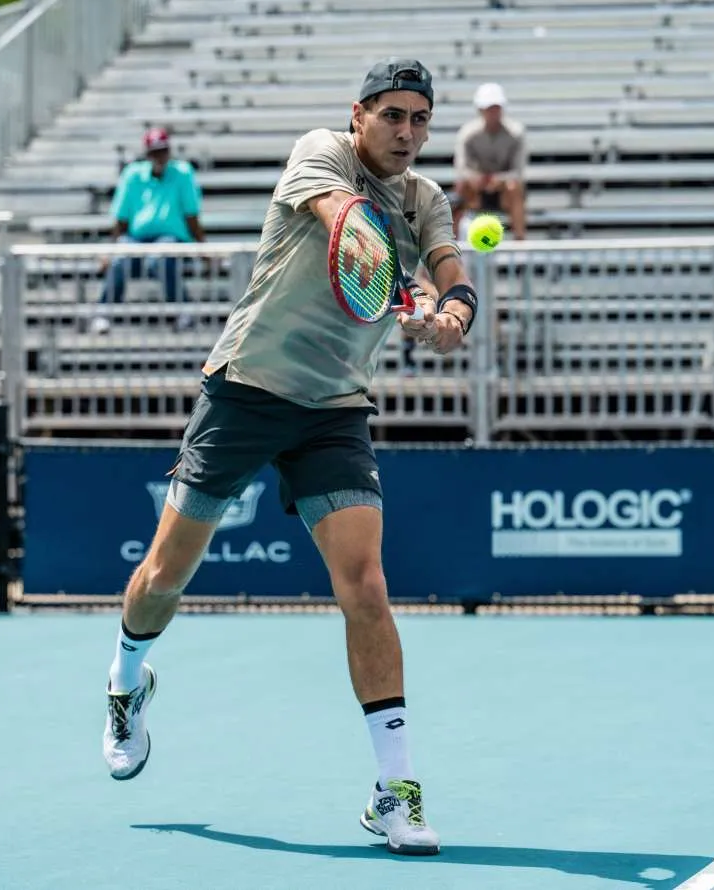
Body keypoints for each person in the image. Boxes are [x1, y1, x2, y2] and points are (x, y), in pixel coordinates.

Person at [101, 58, 479, 857]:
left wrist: (448, 309)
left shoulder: (427, 199)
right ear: (358, 114)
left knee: (367, 588)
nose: (407, 133)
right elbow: (342, 216)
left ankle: (395, 793)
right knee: (166, 575)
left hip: (334, 409)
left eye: (419, 119)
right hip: (247, 389)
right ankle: (128, 676)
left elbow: (453, 269)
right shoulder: (322, 153)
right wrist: (390, 276)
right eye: (392, 116)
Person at [92, 127, 207, 334]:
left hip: (171, 239)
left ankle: (184, 311)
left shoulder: (182, 173)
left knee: (159, 257)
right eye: (154, 152)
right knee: (120, 257)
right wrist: (111, 250)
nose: (159, 156)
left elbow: (191, 215)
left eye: (162, 150)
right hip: (136, 239)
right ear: (147, 154)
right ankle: (103, 314)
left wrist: (202, 247)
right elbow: (122, 218)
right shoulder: (132, 175)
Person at [452, 81, 527, 240]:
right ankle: (450, 243)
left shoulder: (516, 133)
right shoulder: (468, 134)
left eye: (496, 108)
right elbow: (461, 168)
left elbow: (518, 171)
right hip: (475, 189)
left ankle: (520, 241)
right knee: (460, 188)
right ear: (480, 110)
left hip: (504, 190)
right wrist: (476, 179)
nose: (493, 113)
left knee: (515, 187)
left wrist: (498, 180)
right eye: (489, 109)